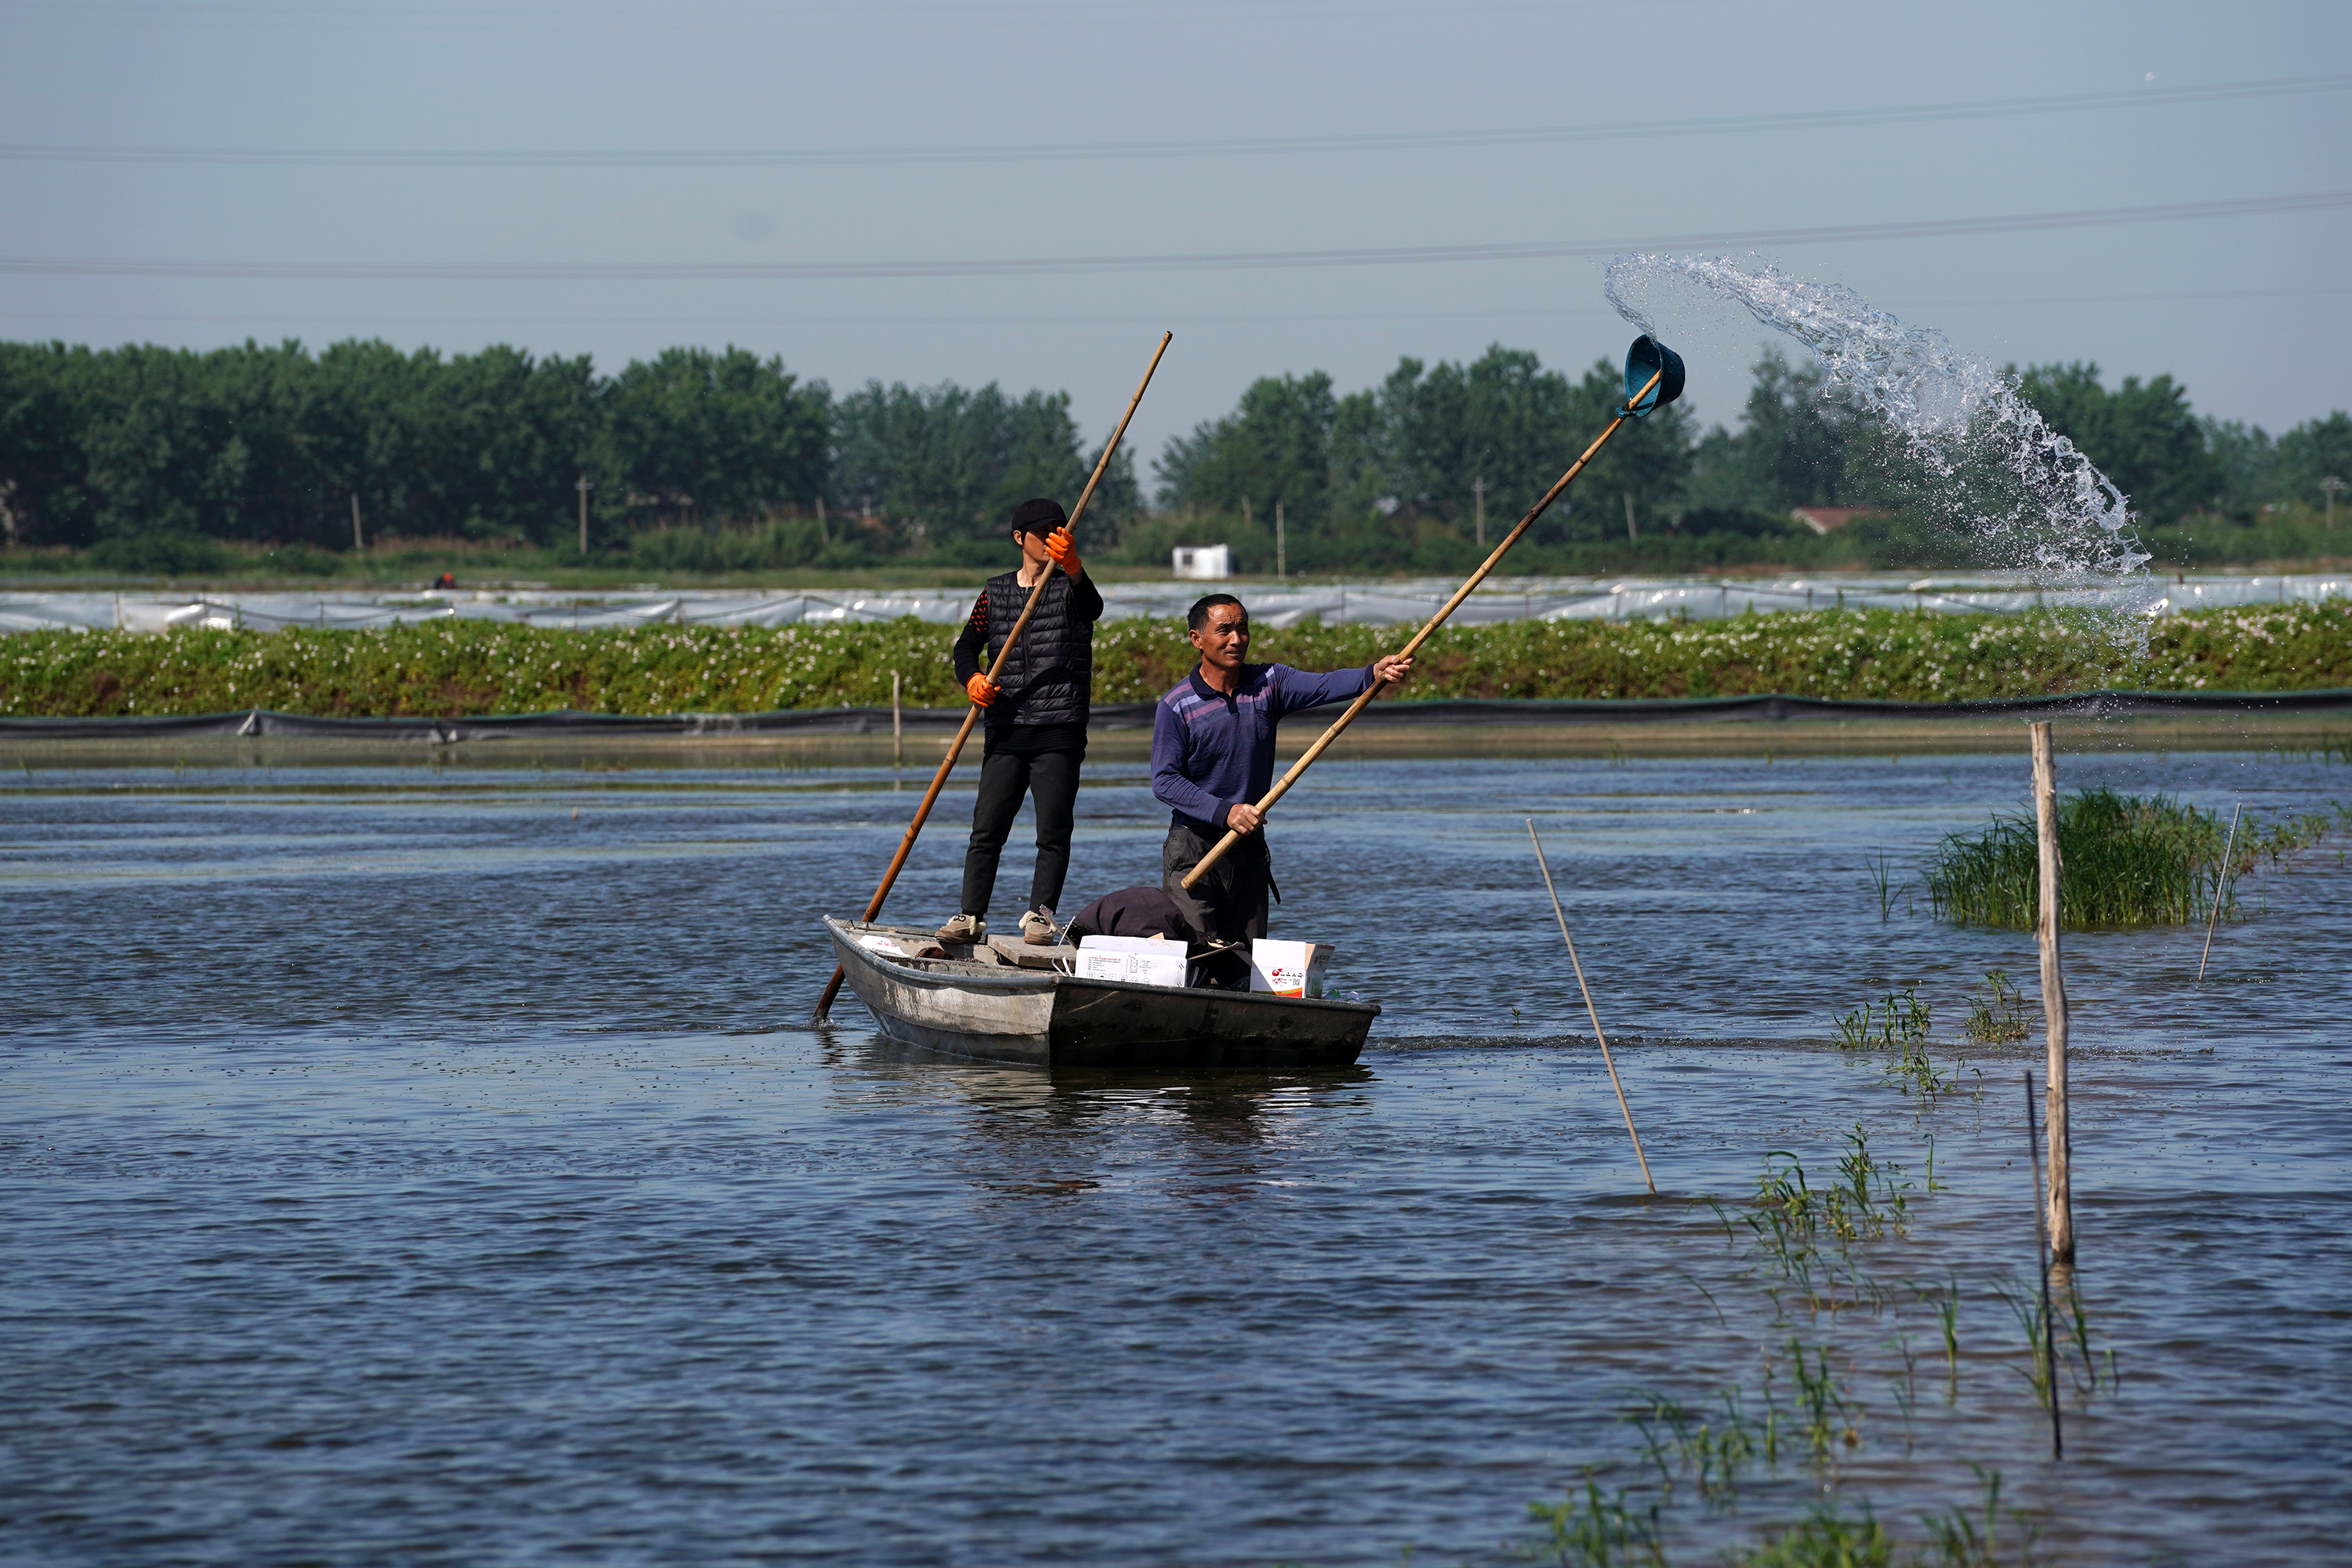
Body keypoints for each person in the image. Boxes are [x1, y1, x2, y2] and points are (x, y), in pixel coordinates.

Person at [1152, 593, 1413, 947]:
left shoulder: (1269, 683)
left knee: (1245, 961)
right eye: (1224, 630)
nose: (1236, 639)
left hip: (1247, 845)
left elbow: (1324, 685)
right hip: (1194, 848)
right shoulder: (1176, 704)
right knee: (1196, 955)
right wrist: (1225, 811)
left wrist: (1372, 674)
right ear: (1197, 639)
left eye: (1242, 629)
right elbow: (1165, 781)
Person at [937, 496, 1105, 946]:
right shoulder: (993, 593)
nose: (1053, 538)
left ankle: (1041, 915)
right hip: (1006, 728)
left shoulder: (1070, 584)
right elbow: (965, 645)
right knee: (987, 828)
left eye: (1059, 530)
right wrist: (971, 678)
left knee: (1053, 831)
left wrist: (1073, 566)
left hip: (1059, 727)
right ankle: (970, 915)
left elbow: (1092, 607)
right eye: (1043, 532)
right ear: (1019, 538)